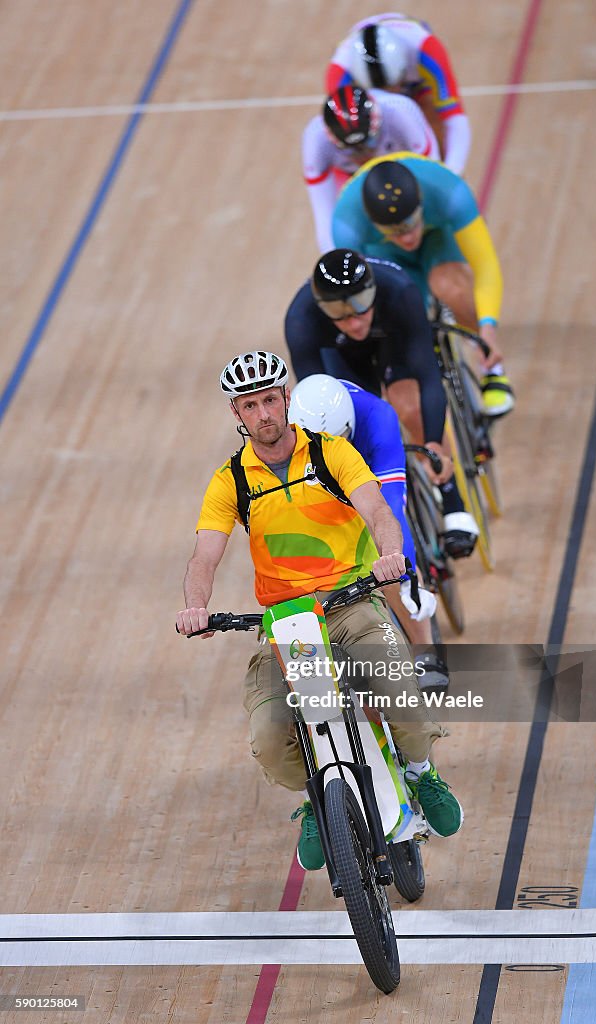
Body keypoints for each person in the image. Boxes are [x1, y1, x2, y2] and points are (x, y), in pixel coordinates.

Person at [176, 350, 463, 870]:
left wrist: (392, 554)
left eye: (270, 400)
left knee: (403, 695)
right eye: (249, 405)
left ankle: (422, 771)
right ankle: (317, 795)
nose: (263, 414)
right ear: (235, 414)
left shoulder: (331, 453)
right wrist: (197, 606)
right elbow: (205, 553)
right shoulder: (230, 481)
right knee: (268, 738)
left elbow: (376, 507)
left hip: (348, 601)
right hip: (287, 621)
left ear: (286, 400)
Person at [284, 248, 480, 557]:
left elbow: (428, 376)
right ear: (322, 308)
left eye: (361, 306)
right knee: (354, 431)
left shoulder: (399, 291)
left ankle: (451, 495)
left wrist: (433, 443)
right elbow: (317, 397)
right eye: (339, 312)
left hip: (394, 341)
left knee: (409, 405)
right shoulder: (300, 319)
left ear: (372, 291)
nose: (353, 320)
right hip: (343, 358)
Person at [289, 373, 450, 691]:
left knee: (382, 547)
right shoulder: (282, 434)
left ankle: (424, 649)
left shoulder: (378, 418)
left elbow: (388, 510)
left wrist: (403, 578)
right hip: (311, 470)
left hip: (370, 458)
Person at [331, 154, 514, 416]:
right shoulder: (347, 225)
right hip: (384, 252)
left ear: (422, 204)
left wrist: (487, 329)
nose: (407, 237)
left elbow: (485, 267)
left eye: (411, 224)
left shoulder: (448, 192)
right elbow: (358, 296)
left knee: (449, 285)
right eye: (395, 230)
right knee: (397, 316)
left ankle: (491, 368)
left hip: (438, 237)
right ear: (373, 223)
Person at [326, 13, 471, 175]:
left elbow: (454, 118)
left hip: (417, 85)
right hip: (369, 102)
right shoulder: (340, 73)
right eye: (382, 91)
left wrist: (451, 173)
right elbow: (344, 140)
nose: (389, 95)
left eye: (392, 87)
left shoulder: (427, 50)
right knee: (356, 145)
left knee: (435, 132)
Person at [303, 84, 438, 252]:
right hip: (355, 179)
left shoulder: (401, 113)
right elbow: (324, 214)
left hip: (408, 167)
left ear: (378, 123)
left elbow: (435, 179)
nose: (365, 156)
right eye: (353, 150)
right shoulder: (315, 140)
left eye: (370, 143)